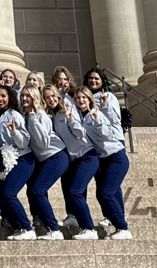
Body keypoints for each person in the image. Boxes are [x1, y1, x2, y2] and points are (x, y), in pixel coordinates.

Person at [43, 83, 99, 240]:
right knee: (70, 191)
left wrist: (72, 119)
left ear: (58, 96)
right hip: (73, 159)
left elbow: (81, 133)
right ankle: (79, 222)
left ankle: (89, 228)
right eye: (47, 97)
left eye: (53, 96)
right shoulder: (51, 115)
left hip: (86, 155)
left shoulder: (67, 111)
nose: (51, 99)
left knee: (75, 191)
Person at [74, 85, 132, 240]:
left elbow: (108, 135)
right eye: (78, 98)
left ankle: (123, 227)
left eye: (84, 97)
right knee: (104, 194)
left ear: (89, 100)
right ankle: (119, 226)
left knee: (105, 193)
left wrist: (98, 121)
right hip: (104, 160)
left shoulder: (96, 114)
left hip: (116, 157)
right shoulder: (81, 117)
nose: (81, 100)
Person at [21, 85, 68, 240]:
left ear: (34, 97)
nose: (24, 98)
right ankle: (47, 224)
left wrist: (34, 119)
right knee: (33, 191)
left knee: (37, 190)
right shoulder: (27, 116)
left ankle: (54, 229)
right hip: (45, 159)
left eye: (28, 95)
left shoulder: (40, 115)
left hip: (55, 156)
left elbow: (42, 143)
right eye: (22, 95)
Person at [0, 84, 33, 241]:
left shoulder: (15, 115)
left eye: (3, 96)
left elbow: (24, 142)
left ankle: (26, 227)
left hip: (22, 159)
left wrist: (14, 131)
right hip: (5, 161)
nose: (0, 99)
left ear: (9, 98)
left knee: (8, 193)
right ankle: (18, 227)